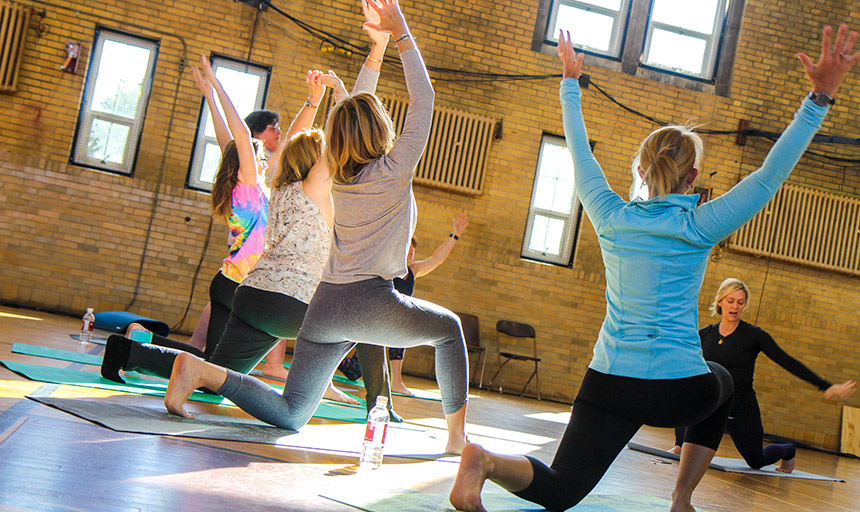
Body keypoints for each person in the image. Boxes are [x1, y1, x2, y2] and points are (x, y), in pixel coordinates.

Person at [449, 24, 858, 512]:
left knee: (561, 490)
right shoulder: (700, 224)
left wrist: (569, 83)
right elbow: (769, 176)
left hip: (607, 382)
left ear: (639, 170)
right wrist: (819, 98)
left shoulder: (609, 215)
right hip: (677, 391)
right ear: (693, 177)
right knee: (723, 381)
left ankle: (484, 461)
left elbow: (580, 154)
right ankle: (681, 498)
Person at [164, 0, 469, 455]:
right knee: (449, 331)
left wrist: (378, 50)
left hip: (324, 304)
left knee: (291, 413)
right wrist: (400, 31)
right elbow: (422, 100)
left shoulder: (339, 174)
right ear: (383, 128)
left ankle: (202, 371)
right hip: (368, 299)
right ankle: (456, 440)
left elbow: (345, 113)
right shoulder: (395, 168)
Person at [670, 278, 856, 473]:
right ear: (720, 302)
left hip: (740, 408)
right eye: (730, 300)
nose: (735, 306)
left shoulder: (753, 335)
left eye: (740, 302)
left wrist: (827, 386)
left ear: (745, 305)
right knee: (691, 398)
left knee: (756, 460)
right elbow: (683, 363)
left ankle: (787, 450)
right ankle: (680, 444)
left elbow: (787, 361)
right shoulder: (705, 335)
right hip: (712, 405)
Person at [344, 213, 469, 413]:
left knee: (400, 329)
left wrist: (454, 235)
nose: (411, 250)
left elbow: (436, 258)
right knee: (352, 372)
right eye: (407, 246)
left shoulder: (414, 270)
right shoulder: (386, 268)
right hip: (374, 322)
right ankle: (342, 362)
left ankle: (397, 381)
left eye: (413, 247)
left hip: (393, 323)